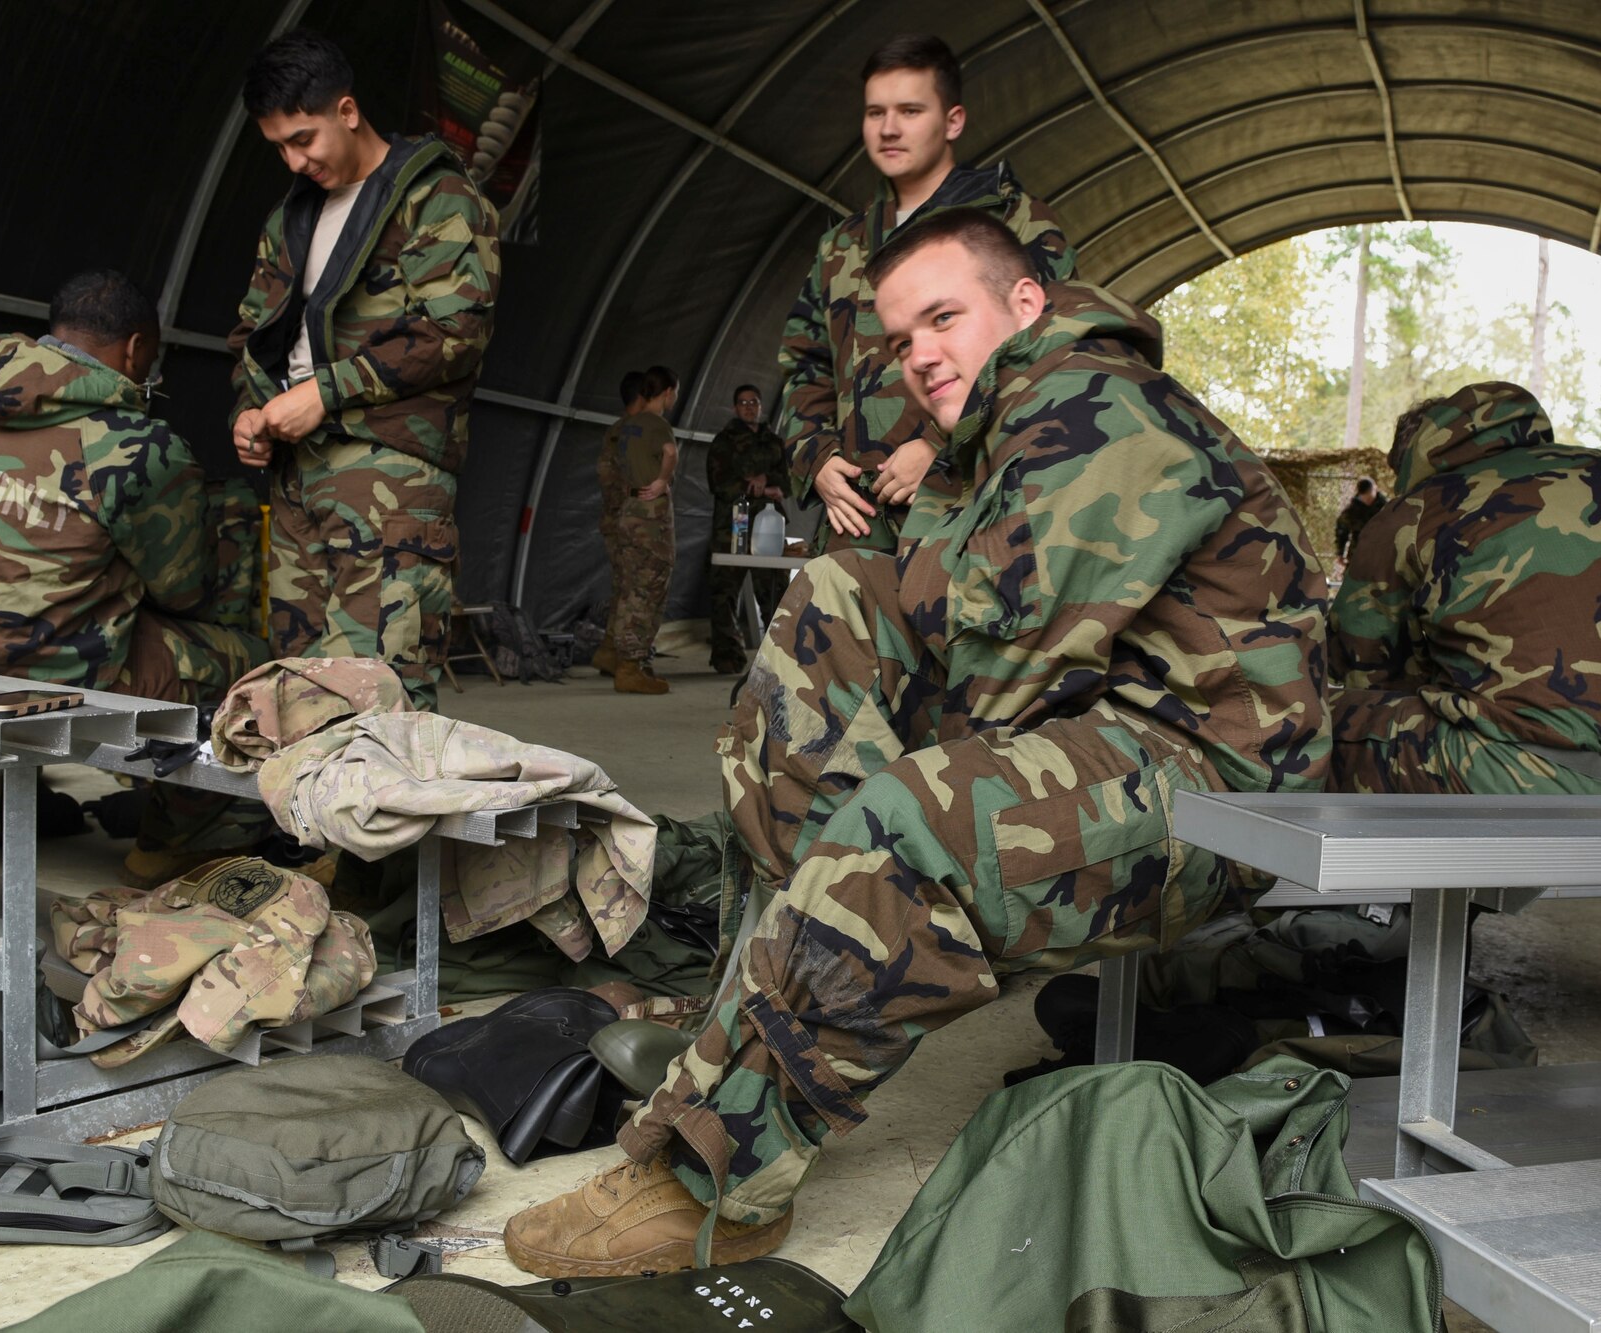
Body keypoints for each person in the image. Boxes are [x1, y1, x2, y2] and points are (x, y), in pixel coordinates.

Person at [503, 207, 1330, 1276]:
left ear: (1022, 303)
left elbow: (997, 666)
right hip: (1106, 734)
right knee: (832, 600)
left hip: (1218, 792)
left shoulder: (1099, 406)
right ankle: (755, 1018)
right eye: (897, 339)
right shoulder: (1002, 424)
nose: (919, 355)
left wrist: (879, 795)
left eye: (943, 317)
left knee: (905, 823)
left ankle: (721, 1177)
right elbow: (936, 633)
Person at [0, 270, 269, 880]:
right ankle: (177, 842)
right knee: (249, 670)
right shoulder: (140, 446)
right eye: (150, 359)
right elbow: (183, 592)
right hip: (36, 679)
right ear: (136, 349)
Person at [228, 29, 500, 712]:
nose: (294, 160)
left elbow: (456, 330)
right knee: (292, 691)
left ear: (347, 111)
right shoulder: (291, 217)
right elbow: (252, 331)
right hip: (297, 477)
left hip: (390, 474)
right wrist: (250, 407)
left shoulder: (436, 198)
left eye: (304, 138)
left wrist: (325, 391)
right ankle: (299, 825)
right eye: (280, 147)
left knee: (380, 695)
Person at [778, 33, 1076, 554]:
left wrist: (938, 446)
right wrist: (817, 458)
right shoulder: (840, 248)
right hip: (858, 526)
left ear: (952, 121)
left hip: (971, 511)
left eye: (910, 110)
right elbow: (805, 366)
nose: (889, 129)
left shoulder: (1014, 221)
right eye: (875, 113)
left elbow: (1052, 352)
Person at [1330, 382, 1601, 796]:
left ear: (1413, 453)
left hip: (1531, 778)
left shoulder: (1416, 509)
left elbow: (1361, 664)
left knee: (1324, 721)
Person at [601, 367, 681, 696]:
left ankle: (618, 655)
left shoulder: (624, 427)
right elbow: (670, 452)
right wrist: (662, 479)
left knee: (628, 587)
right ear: (667, 392)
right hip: (650, 518)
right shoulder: (657, 424)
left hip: (627, 510)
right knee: (647, 590)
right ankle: (631, 666)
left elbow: (609, 472)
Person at [705, 384, 791, 673]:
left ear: (761, 405)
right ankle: (728, 656)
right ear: (734, 408)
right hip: (731, 527)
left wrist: (767, 479)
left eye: (753, 401)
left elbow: (789, 481)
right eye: (742, 403)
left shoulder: (774, 442)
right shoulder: (724, 442)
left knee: (775, 592)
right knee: (724, 592)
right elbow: (718, 483)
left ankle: (779, 655)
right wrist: (752, 487)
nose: (748, 407)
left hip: (768, 527)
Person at [590, 370, 645, 678]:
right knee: (635, 589)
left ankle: (610, 649)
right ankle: (627, 657)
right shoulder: (636, 431)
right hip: (632, 520)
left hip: (614, 518)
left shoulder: (615, 430)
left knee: (621, 586)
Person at [1334, 476, 1385, 560]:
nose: (1367, 500)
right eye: (1364, 498)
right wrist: (1340, 552)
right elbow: (1342, 530)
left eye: (1369, 497)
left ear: (1375, 490)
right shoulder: (1352, 510)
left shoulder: (1386, 508)